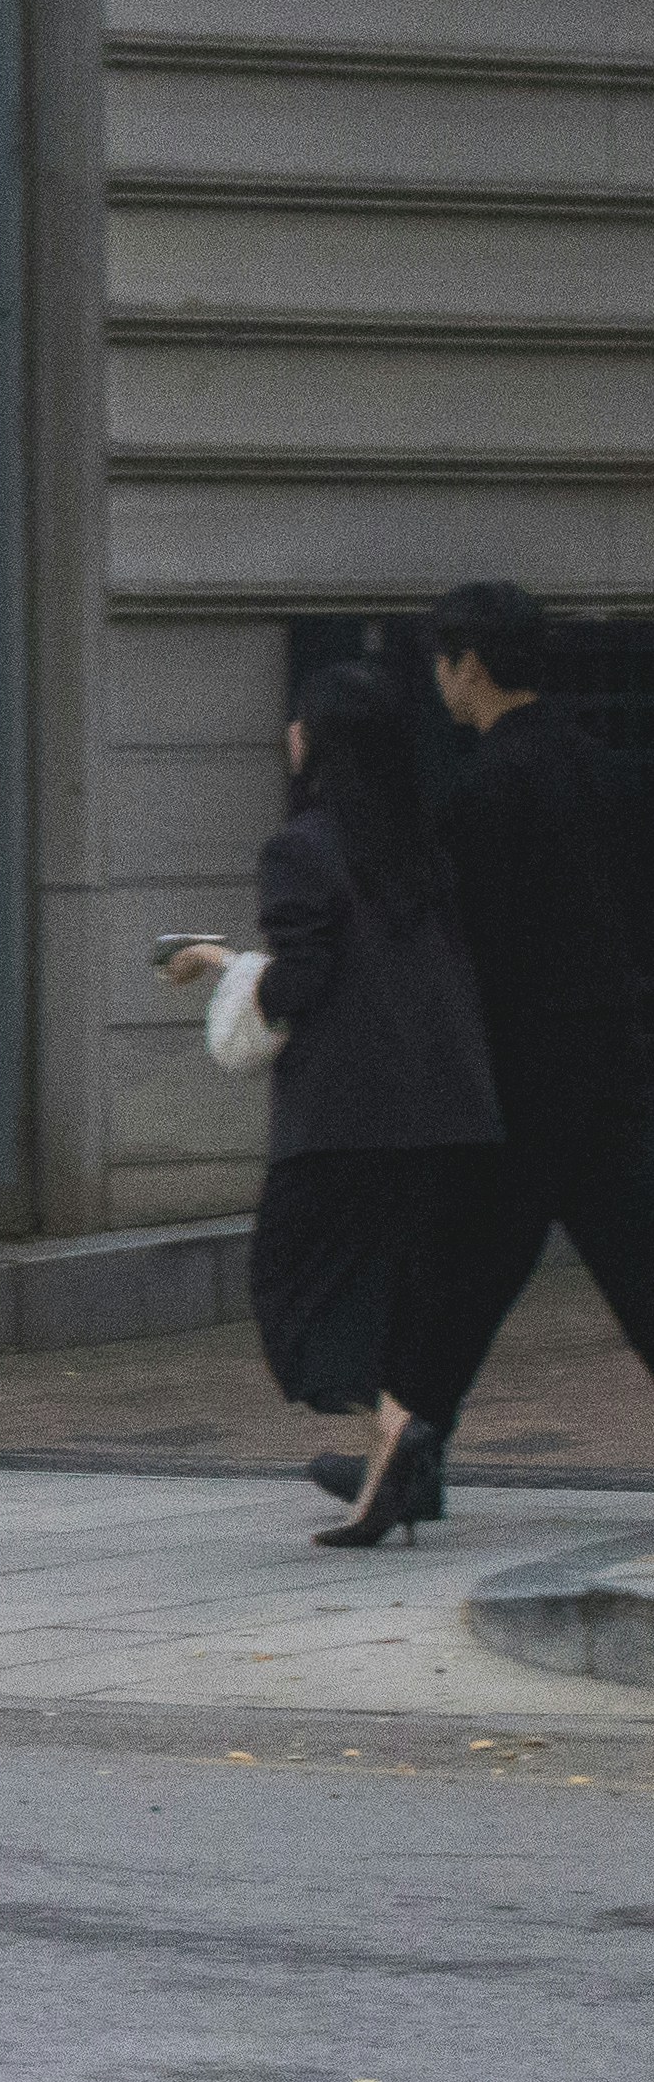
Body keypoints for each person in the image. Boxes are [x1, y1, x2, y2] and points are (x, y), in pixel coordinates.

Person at [158, 660, 507, 1548]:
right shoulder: (429, 840)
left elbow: (302, 979)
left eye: (296, 722)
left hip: (349, 1116)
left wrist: (219, 968)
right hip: (454, 1108)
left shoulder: (302, 847)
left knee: (292, 1286)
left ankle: (386, 1431)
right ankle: (392, 1449)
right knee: (405, 1285)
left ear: (315, 743)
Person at [325, 583, 654, 1506]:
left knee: (455, 1272)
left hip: (514, 1079)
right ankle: (405, 1460)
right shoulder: (611, 773)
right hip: (610, 1067)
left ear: (465, 664)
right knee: (634, 1268)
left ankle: (404, 1462)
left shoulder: (479, 791)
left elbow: (456, 945)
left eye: (440, 661)